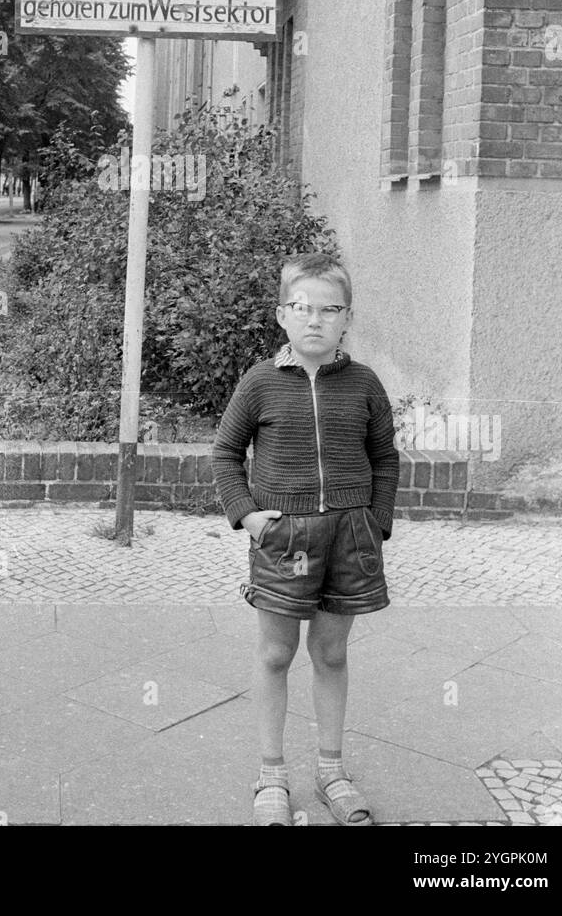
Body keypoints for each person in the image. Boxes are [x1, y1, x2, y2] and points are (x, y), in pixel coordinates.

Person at [211, 252, 398, 827]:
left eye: (329, 309)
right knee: (274, 654)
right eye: (302, 307)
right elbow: (224, 454)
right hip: (283, 536)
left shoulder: (365, 384)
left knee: (332, 653)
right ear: (281, 315)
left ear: (346, 319)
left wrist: (377, 524)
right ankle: (271, 775)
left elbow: (385, 459)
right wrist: (247, 517)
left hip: (350, 535)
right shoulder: (260, 383)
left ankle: (331, 770)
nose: (315, 319)